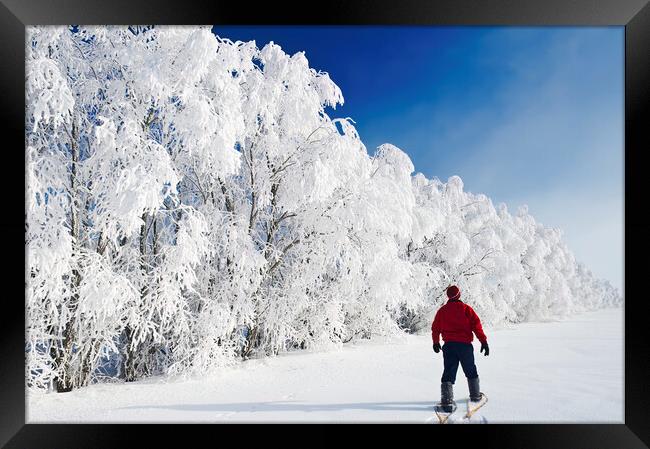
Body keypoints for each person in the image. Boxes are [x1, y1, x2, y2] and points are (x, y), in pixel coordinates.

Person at [431, 285, 489, 408]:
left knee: (449, 371)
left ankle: (446, 401)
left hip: (449, 346)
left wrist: (436, 342)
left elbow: (435, 328)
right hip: (465, 346)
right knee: (470, 369)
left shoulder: (442, 311)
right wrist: (483, 342)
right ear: (458, 295)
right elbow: (476, 326)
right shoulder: (466, 309)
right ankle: (475, 396)